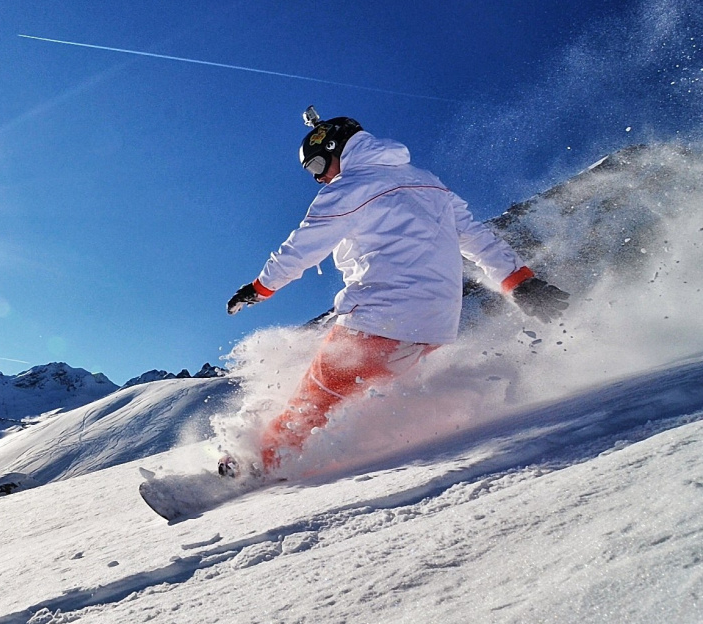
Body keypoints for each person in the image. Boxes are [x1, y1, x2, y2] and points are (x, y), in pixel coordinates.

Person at [222, 107, 569, 477]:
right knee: (355, 400)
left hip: (381, 315)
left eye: (318, 166)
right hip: (434, 326)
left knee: (316, 398)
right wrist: (518, 281)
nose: (320, 179)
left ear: (336, 148)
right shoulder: (430, 182)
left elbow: (301, 248)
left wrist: (260, 288)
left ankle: (253, 470)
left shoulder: (349, 189)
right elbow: (476, 237)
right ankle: (319, 458)